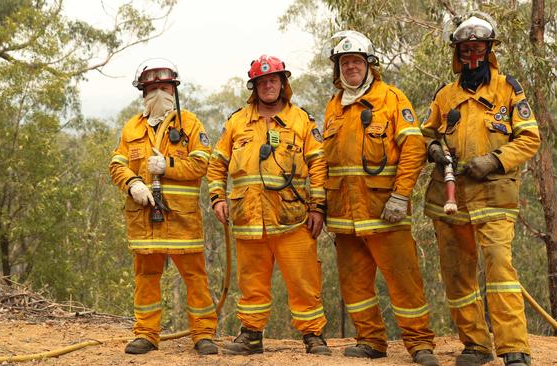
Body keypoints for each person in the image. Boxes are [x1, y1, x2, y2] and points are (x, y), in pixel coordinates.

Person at [422, 13, 540, 366]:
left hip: (494, 197)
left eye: (478, 47)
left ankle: (513, 348)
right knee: (457, 273)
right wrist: (432, 149)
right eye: (465, 49)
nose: (471, 54)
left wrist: (494, 160)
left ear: (489, 50)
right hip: (448, 198)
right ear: (457, 53)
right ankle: (475, 344)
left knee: (500, 270)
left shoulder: (508, 90)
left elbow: (530, 138)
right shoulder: (445, 95)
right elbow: (428, 133)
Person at [323, 31, 438, 366]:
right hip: (345, 217)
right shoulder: (334, 105)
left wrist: (401, 196)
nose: (351, 67)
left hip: (385, 213)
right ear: (338, 68)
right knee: (354, 285)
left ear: (370, 64)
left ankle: (420, 344)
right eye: (345, 62)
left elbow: (414, 148)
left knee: (404, 281)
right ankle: (371, 340)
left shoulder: (391, 99)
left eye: (357, 61)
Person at [207, 55, 330, 356]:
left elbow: (318, 164)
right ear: (255, 87)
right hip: (249, 218)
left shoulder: (301, 120)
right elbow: (216, 164)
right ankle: (251, 335)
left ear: (283, 84)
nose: (268, 86)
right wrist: (217, 198)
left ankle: (313, 336)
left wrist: (318, 207)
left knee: (303, 280)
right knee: (251, 282)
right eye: (262, 82)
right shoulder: (237, 122)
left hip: (293, 218)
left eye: (273, 80)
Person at [109, 58, 218, 355]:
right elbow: (116, 164)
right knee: (146, 278)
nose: (159, 92)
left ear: (175, 89)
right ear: (143, 92)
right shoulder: (131, 127)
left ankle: (203, 334)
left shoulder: (190, 124)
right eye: (153, 87)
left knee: (195, 278)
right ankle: (146, 334)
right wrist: (133, 183)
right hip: (145, 220)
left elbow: (202, 164)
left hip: (182, 221)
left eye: (164, 86)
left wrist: (167, 165)